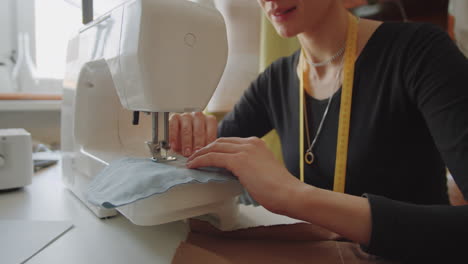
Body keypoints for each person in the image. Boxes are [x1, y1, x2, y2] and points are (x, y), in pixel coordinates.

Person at [169, 0, 468, 262]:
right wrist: (194, 136)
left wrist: (295, 196)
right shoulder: (275, 81)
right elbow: (214, 154)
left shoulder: (420, 52)